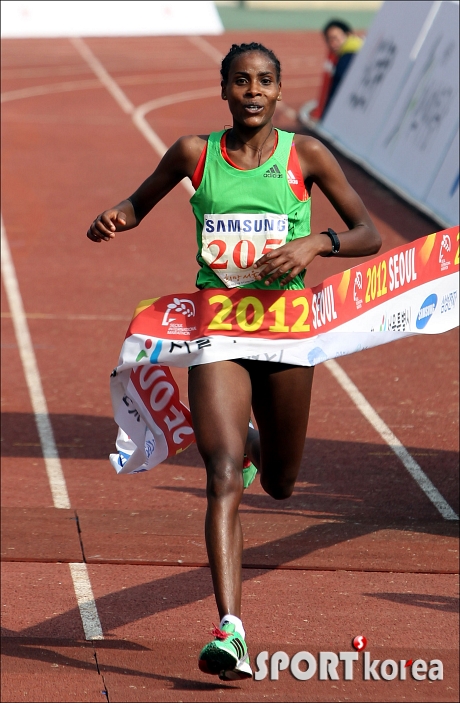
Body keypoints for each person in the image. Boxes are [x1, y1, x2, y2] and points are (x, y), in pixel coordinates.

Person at [87, 41, 381, 681]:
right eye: (240, 80)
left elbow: (368, 232)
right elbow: (140, 202)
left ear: (279, 91)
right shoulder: (195, 153)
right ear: (223, 89)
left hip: (285, 335)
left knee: (278, 481)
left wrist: (315, 244)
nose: (253, 91)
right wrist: (118, 216)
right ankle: (232, 631)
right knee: (220, 472)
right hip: (216, 329)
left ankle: (256, 447)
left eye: (265, 81)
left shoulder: (306, 155)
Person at [321, 19, 363, 117]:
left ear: (348, 35)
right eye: (329, 40)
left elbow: (337, 91)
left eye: (335, 38)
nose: (332, 44)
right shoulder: (360, 46)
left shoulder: (347, 57)